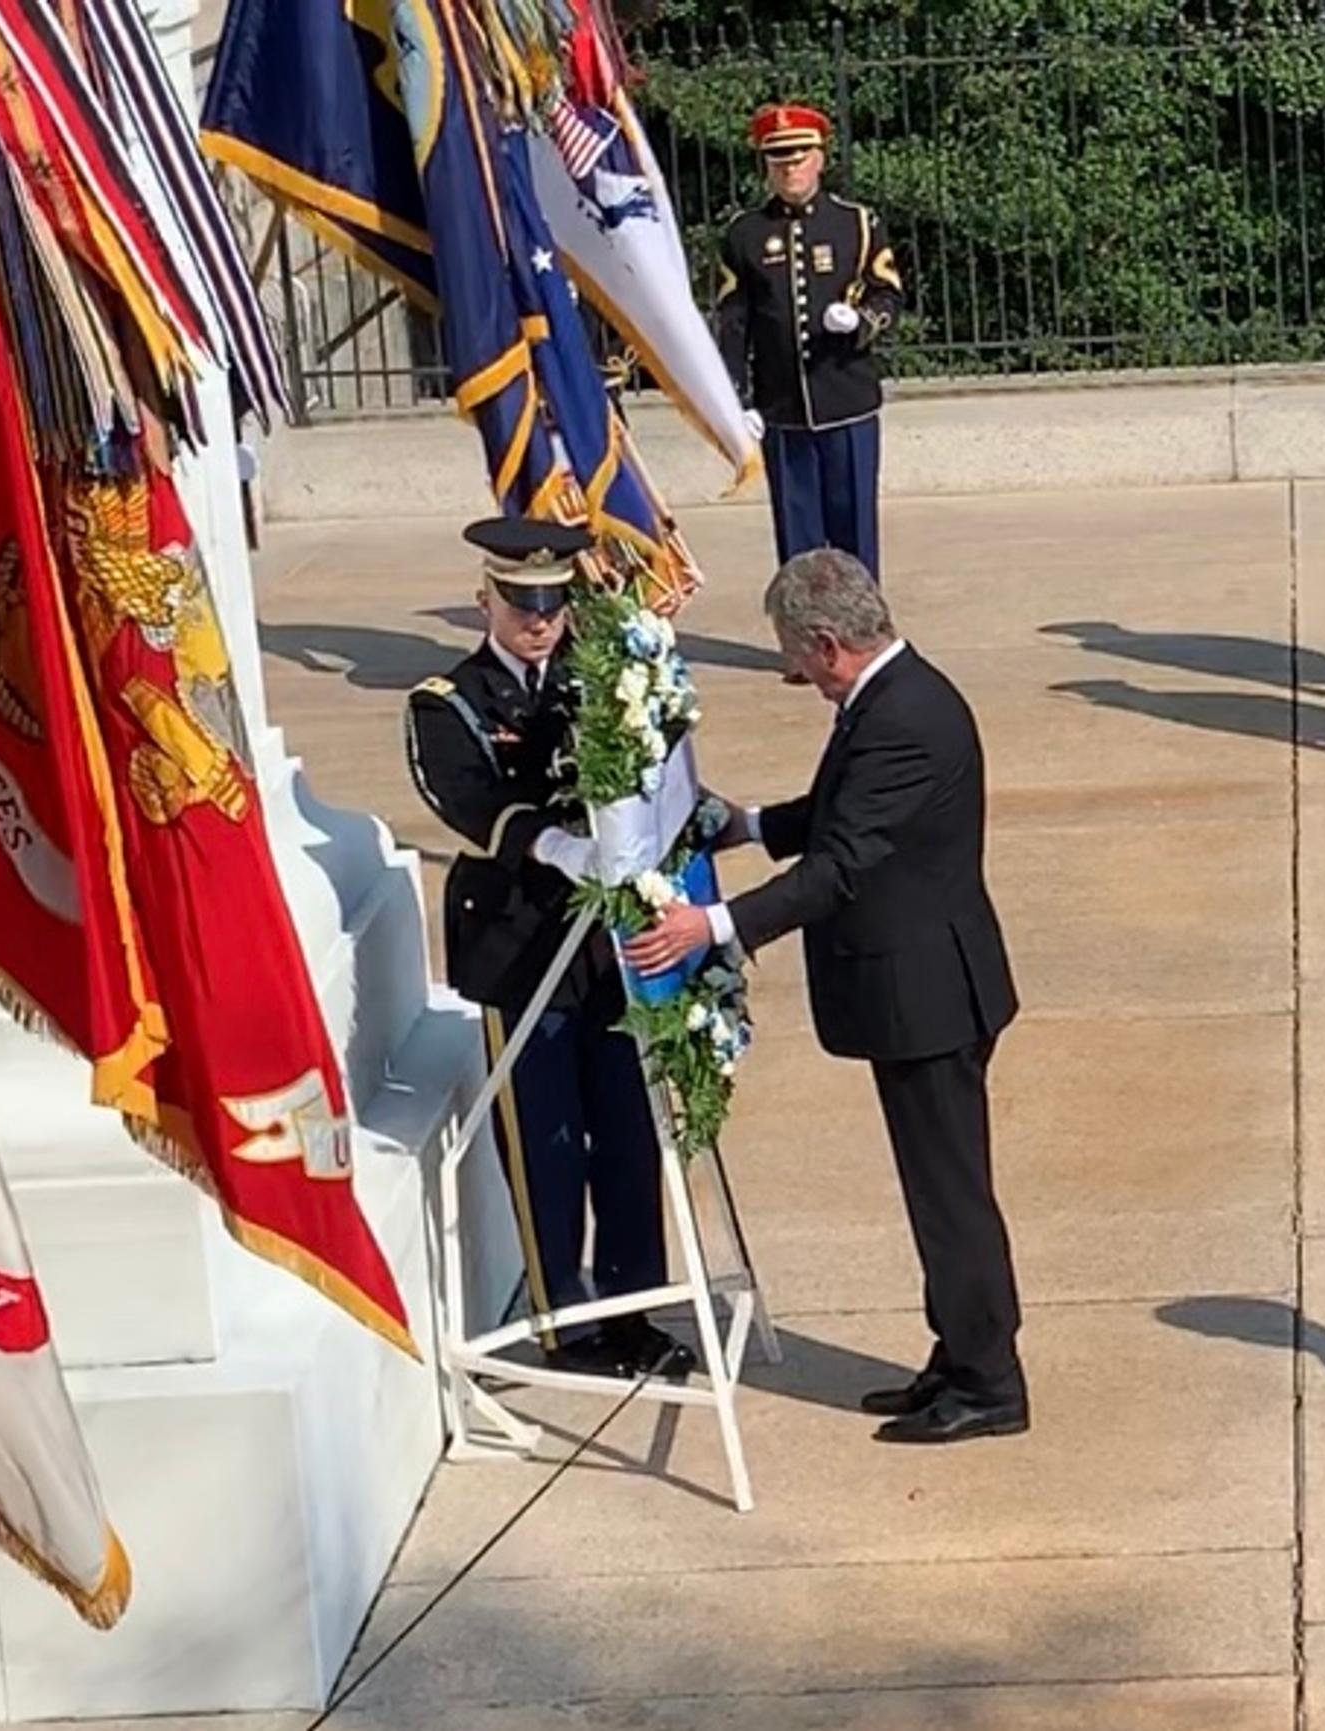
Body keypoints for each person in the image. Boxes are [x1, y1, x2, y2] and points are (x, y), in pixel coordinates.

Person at [624, 548, 1025, 1445]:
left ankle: (990, 1381)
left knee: (951, 1196)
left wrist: (712, 925)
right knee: (936, 1190)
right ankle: (960, 1353)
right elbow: (842, 809)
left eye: (794, 655)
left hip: (929, 996)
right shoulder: (891, 697)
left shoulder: (904, 718)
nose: (795, 672)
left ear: (827, 643)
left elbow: (841, 866)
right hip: (919, 988)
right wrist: (750, 825)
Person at [405, 519, 690, 1380]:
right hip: (520, 945)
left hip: (603, 946)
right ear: (484, 600)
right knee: (546, 1144)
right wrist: (551, 842)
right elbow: (462, 795)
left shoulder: (599, 679)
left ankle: (634, 1308)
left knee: (628, 1131)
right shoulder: (446, 700)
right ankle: (566, 1321)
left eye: (552, 604)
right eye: (521, 603)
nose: (539, 621)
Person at [716, 103, 903, 578]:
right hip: (782, 407)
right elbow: (734, 321)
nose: (790, 169)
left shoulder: (856, 223)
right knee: (797, 537)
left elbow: (888, 293)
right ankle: (803, 622)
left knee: (853, 528)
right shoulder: (744, 233)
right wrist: (738, 399)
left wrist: (861, 321)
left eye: (799, 158)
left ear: (819, 158)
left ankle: (860, 619)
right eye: (779, 160)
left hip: (846, 400)